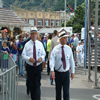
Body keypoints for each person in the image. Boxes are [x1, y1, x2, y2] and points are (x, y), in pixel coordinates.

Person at [50, 30, 75, 100]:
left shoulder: (68, 49)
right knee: (58, 92)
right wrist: (52, 70)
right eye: (64, 38)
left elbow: (71, 61)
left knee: (66, 93)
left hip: (66, 73)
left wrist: (73, 72)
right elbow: (52, 60)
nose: (66, 39)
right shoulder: (55, 49)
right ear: (60, 39)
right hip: (58, 73)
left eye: (66, 38)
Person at [22, 29, 46, 100]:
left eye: (35, 34)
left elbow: (43, 54)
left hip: (38, 67)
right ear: (30, 35)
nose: (34, 35)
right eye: (32, 34)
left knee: (37, 85)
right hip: (30, 67)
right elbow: (23, 55)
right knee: (32, 86)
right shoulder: (27, 44)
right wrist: (29, 58)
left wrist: (41, 58)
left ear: (37, 35)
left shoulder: (40, 44)